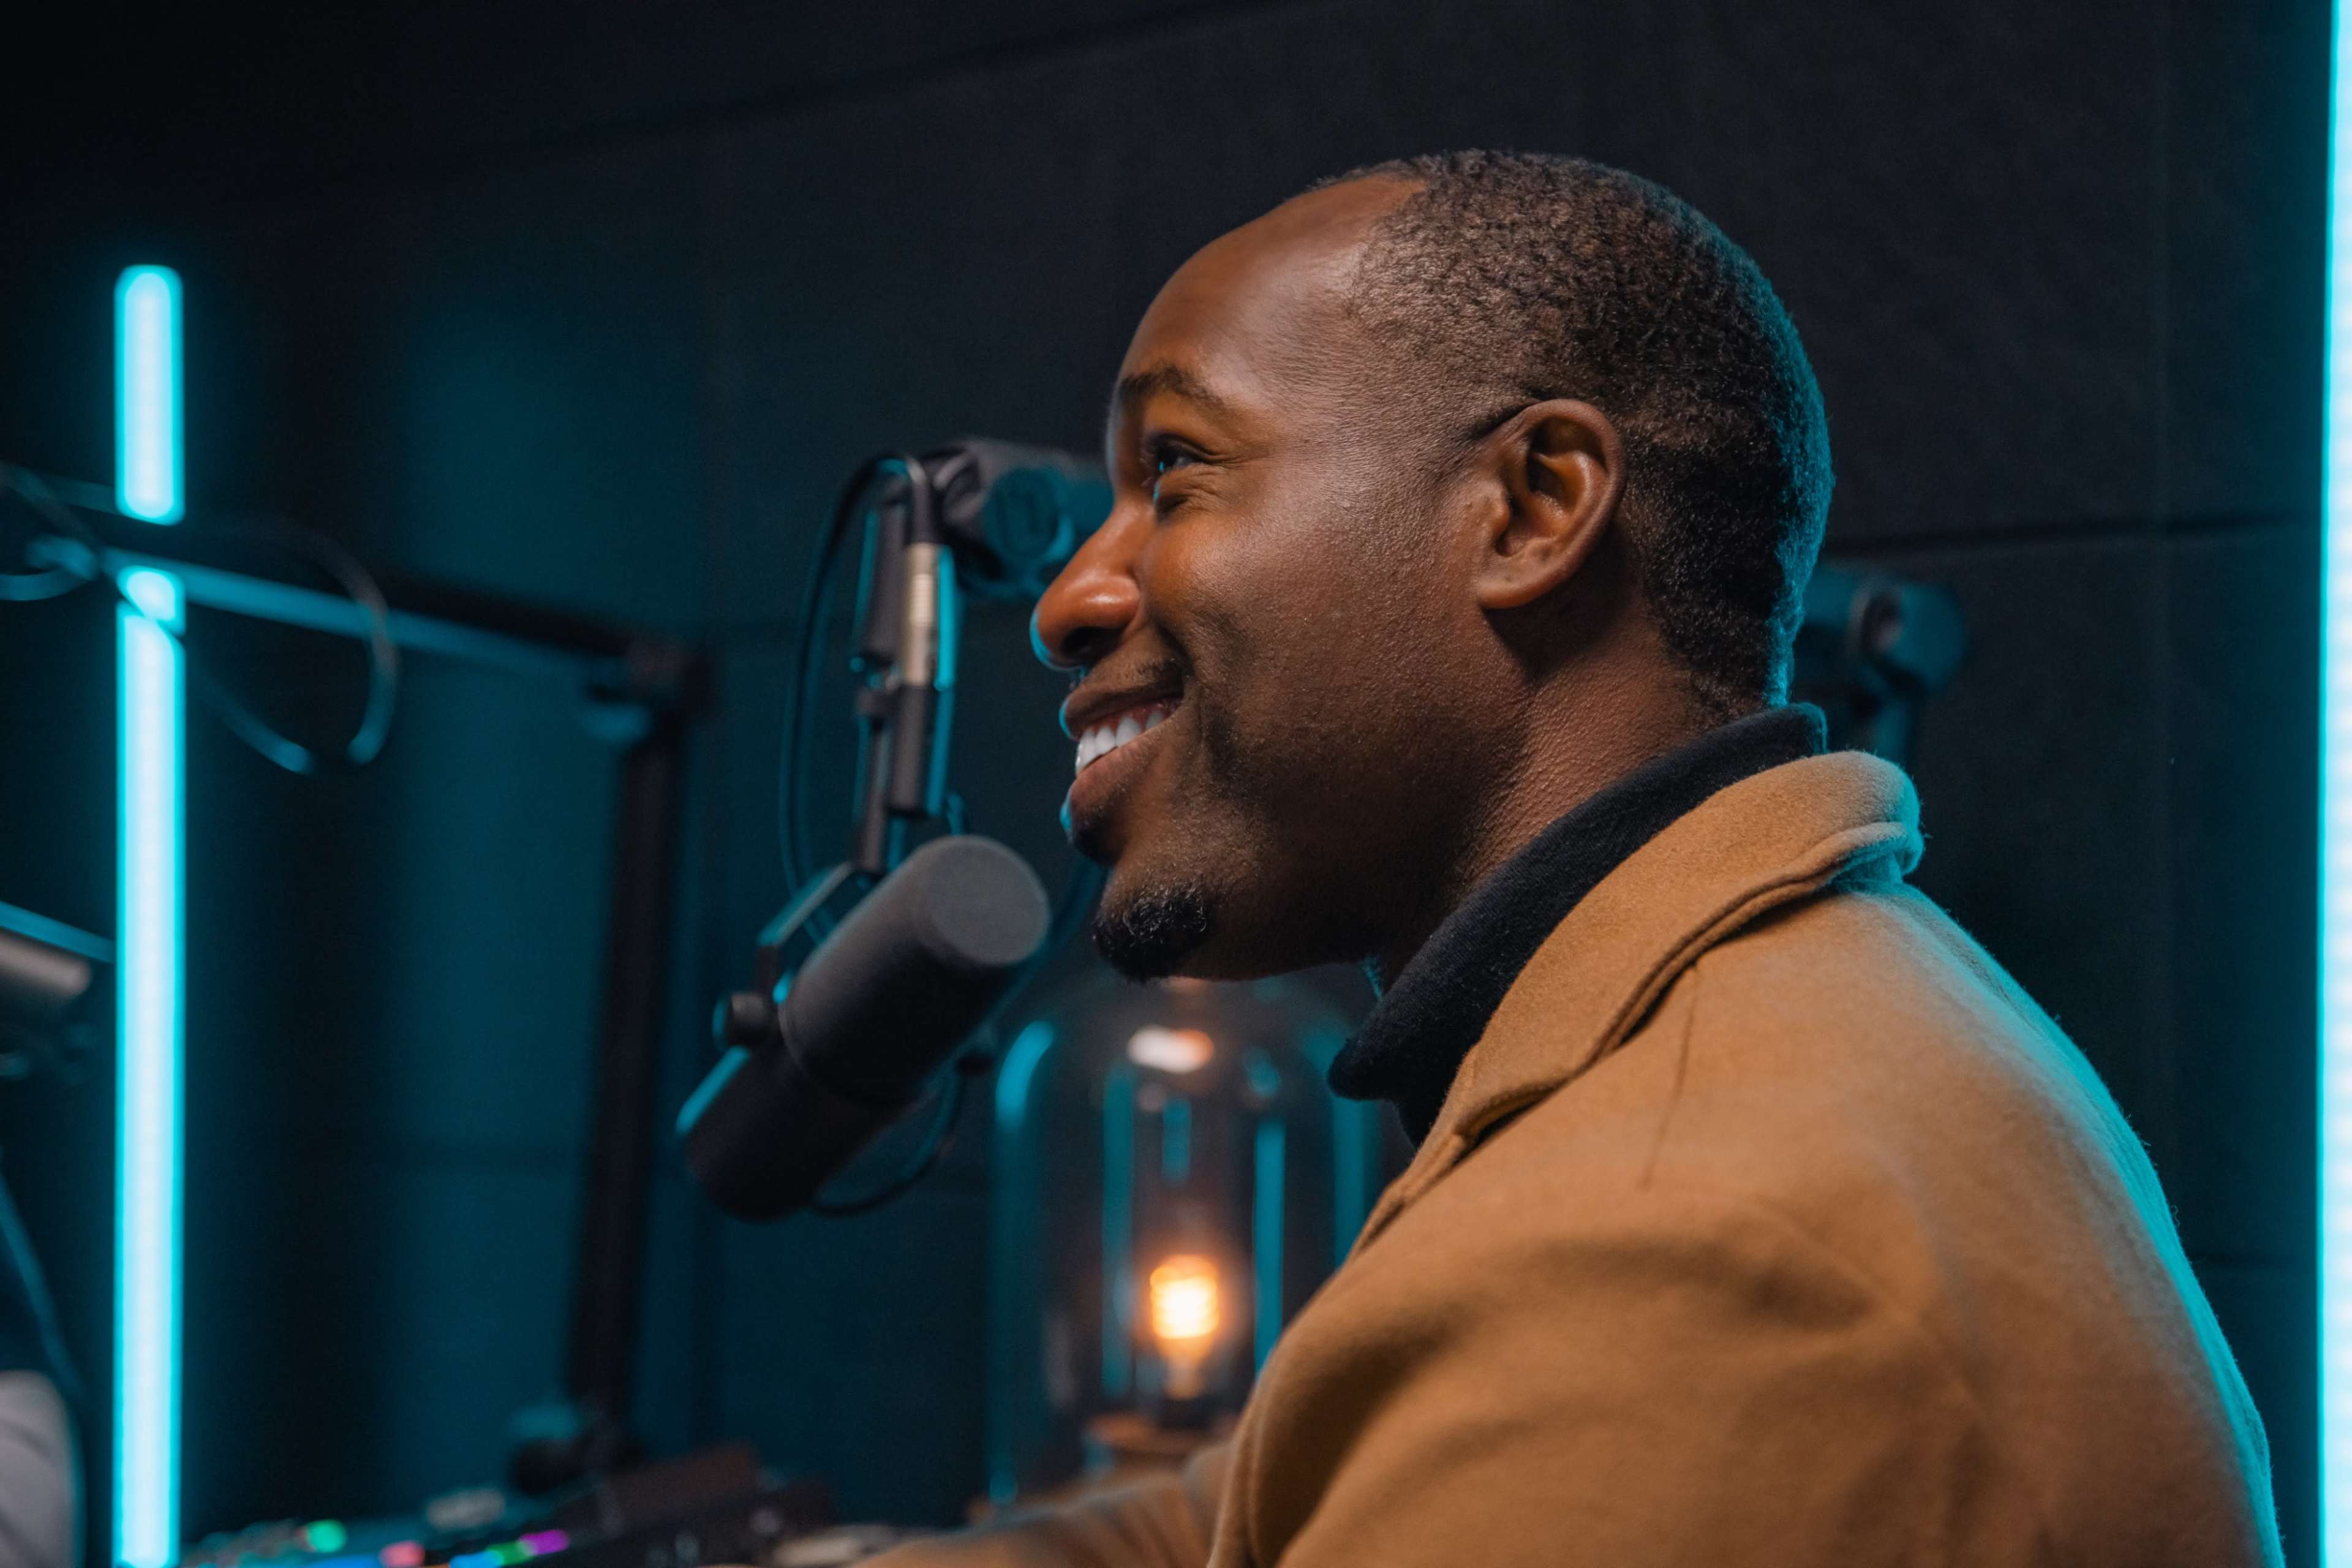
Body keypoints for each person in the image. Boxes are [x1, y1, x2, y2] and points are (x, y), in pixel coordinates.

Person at [877, 151, 2281, 1565]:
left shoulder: (1672, 1247)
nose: (1068, 599)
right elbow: (1255, 1505)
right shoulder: (1758, 1008)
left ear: (1534, 507)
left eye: (1174, 471)